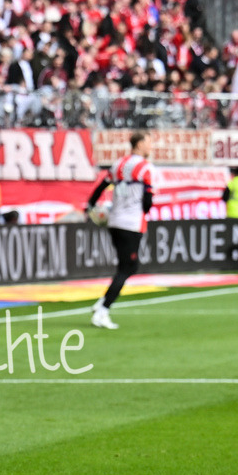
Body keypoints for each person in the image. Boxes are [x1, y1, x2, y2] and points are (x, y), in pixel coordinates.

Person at [85, 130, 153, 330]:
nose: (150, 147)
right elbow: (148, 201)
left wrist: (90, 206)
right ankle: (103, 310)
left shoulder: (118, 165)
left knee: (128, 266)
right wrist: (143, 208)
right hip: (131, 223)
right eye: (148, 142)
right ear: (139, 144)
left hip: (114, 222)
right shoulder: (145, 168)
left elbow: (100, 187)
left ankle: (103, 302)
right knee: (127, 268)